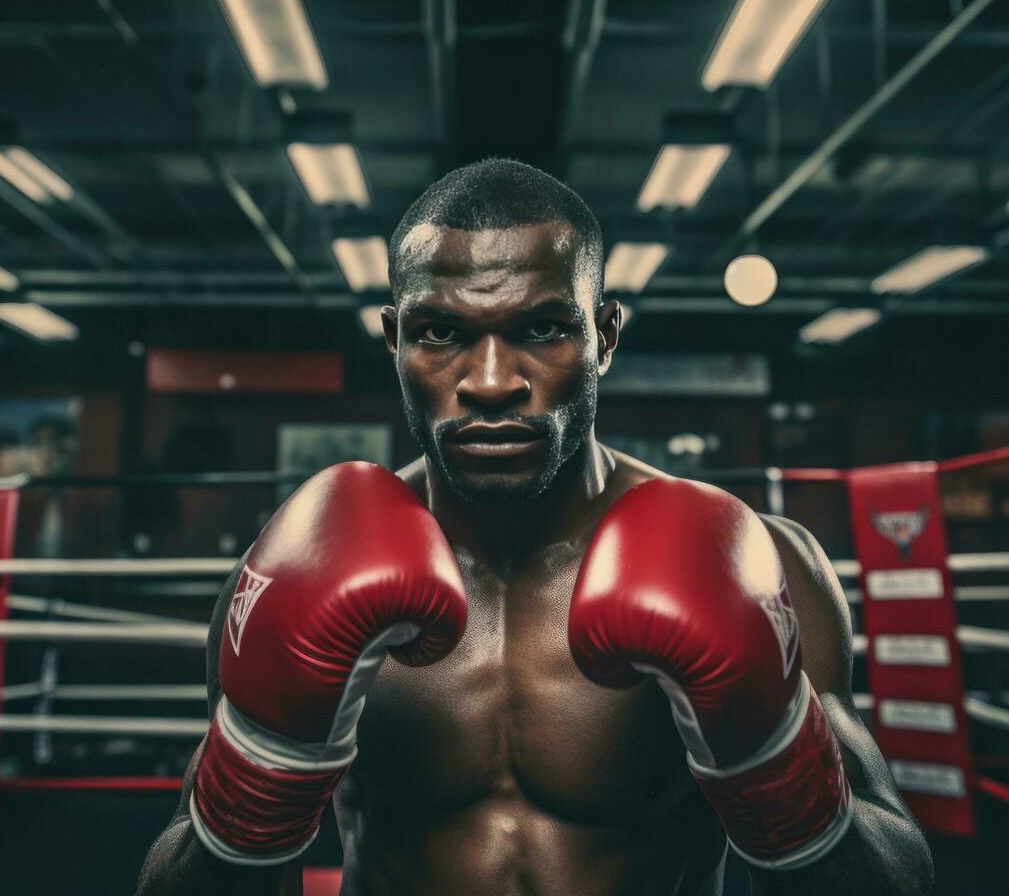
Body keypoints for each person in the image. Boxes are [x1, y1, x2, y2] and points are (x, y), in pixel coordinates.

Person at [137, 159, 933, 895]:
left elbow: (897, 875)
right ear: (394, 340)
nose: (490, 382)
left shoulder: (765, 564)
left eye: (543, 329)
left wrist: (779, 773)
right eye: (441, 333)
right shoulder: (290, 574)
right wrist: (254, 778)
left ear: (605, 337)